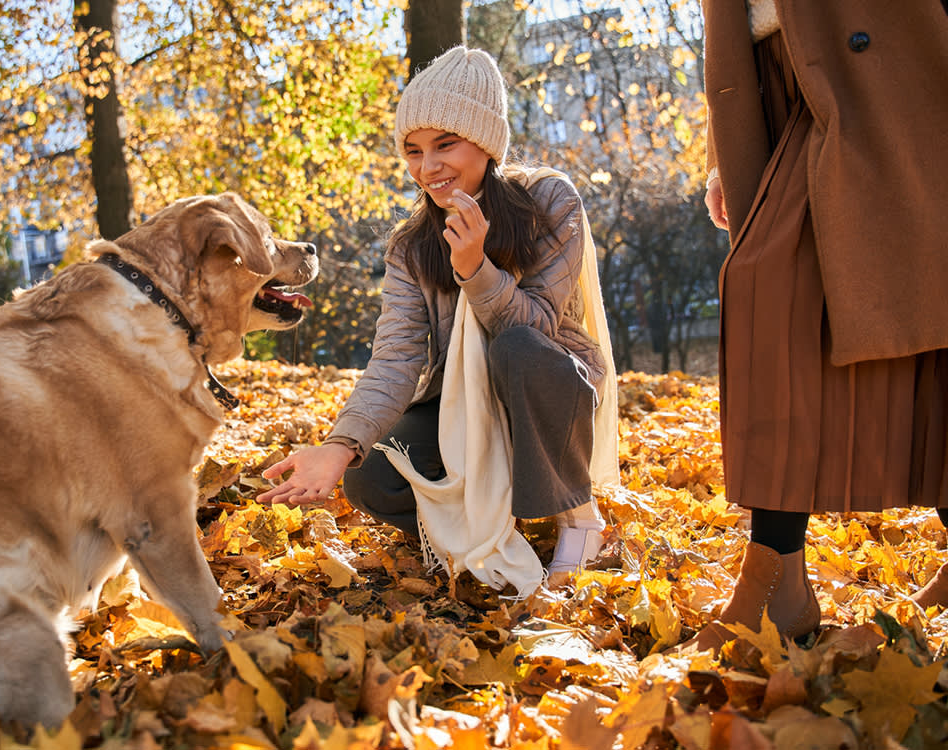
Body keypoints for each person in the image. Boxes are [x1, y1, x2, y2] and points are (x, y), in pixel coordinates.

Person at [257, 46, 620, 597]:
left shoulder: (549, 199)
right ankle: (485, 527)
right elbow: (397, 357)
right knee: (371, 472)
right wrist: (340, 445)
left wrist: (476, 270)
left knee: (517, 346)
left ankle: (577, 517)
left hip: (550, 391)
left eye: (445, 144)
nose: (428, 168)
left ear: (485, 140)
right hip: (460, 408)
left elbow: (539, 328)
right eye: (413, 151)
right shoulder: (409, 246)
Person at [690, 0, 948, 651]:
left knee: (920, 305)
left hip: (892, 70)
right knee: (779, 299)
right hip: (780, 81)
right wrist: (728, 152)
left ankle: (777, 577)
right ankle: (780, 579)